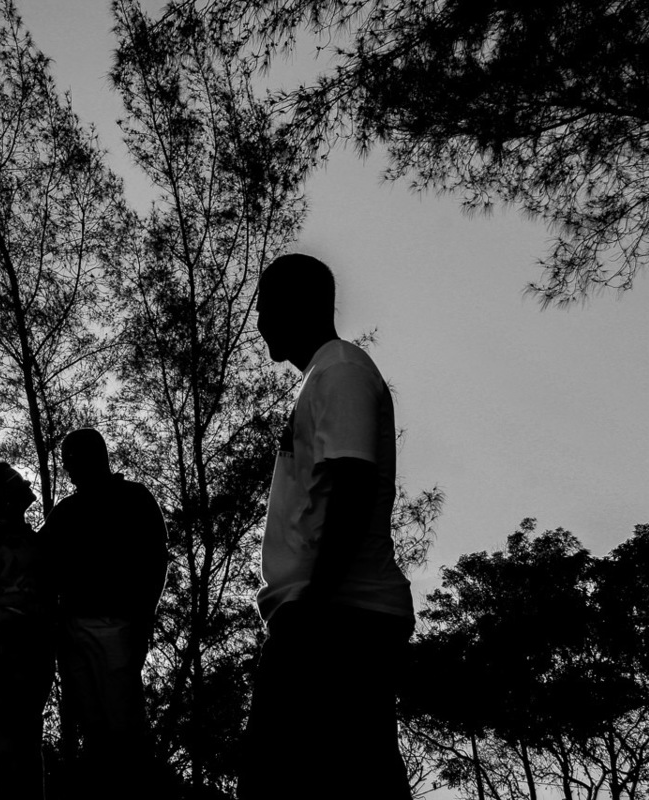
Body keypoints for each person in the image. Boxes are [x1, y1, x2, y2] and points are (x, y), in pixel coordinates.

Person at [238, 254, 414, 799]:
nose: (260, 321)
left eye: (266, 307)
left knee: (281, 779)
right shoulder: (324, 374)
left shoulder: (339, 369)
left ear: (299, 304)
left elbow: (353, 484)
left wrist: (313, 607)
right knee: (348, 777)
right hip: (330, 614)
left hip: (339, 617)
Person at [42, 428, 170, 799]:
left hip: (118, 626)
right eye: (64, 460)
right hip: (72, 631)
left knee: (125, 728)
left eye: (72, 458)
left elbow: (156, 558)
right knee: (93, 729)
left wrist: (143, 617)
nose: (67, 467)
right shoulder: (66, 511)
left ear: (96, 456)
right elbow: (38, 554)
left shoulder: (134, 497)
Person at [0, 462, 56, 800]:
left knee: (30, 734)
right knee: (3, 737)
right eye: (18, 479)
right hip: (5, 645)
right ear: (4, 494)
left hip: (38, 648)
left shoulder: (38, 538)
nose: (27, 481)